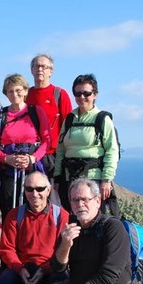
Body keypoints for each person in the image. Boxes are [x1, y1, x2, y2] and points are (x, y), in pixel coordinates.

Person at [16, 178, 130, 284]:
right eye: (75, 200)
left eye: (85, 199)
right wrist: (65, 244)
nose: (80, 204)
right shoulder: (72, 224)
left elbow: (108, 275)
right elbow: (58, 267)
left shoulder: (113, 228)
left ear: (97, 201)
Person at [0, 172, 68, 284]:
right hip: (22, 266)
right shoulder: (15, 215)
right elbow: (7, 248)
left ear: (48, 190)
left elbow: (63, 251)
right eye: (29, 189)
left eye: (39, 189)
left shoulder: (61, 216)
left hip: (51, 267)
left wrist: (45, 269)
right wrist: (19, 269)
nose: (34, 194)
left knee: (60, 283)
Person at [54, 74, 120, 217]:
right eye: (78, 93)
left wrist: (106, 180)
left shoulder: (102, 119)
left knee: (93, 217)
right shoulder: (70, 118)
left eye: (87, 93)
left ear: (95, 94)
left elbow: (112, 150)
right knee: (71, 216)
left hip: (93, 177)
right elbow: (61, 149)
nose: (82, 97)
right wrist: (58, 176)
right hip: (69, 176)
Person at [0, 74, 50, 219]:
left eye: (18, 90)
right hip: (8, 170)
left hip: (31, 169)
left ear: (25, 91)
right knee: (8, 209)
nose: (15, 94)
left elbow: (46, 140)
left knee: (33, 206)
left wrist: (33, 158)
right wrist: (6, 159)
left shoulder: (36, 112)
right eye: (10, 91)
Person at [25, 54, 72, 186]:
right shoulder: (25, 95)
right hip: (30, 156)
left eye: (44, 67)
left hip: (53, 157)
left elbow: (68, 127)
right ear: (31, 70)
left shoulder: (59, 94)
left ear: (50, 71)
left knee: (53, 198)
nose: (40, 69)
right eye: (37, 66)